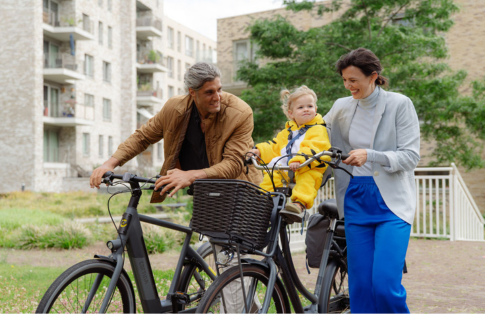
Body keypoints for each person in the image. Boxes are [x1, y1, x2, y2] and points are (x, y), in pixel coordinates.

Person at [323, 48, 420, 313]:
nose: (348, 85)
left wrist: (371, 156)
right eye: (344, 80)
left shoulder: (400, 104)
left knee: (384, 284)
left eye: (353, 80)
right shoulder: (341, 107)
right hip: (356, 197)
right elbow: (316, 136)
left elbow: (411, 156)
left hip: (392, 202)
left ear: (373, 76)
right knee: (361, 286)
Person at [90, 62, 262, 197]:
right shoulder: (174, 108)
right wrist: (109, 164)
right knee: (212, 239)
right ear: (192, 92)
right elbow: (143, 137)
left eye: (219, 90)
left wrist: (189, 175)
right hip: (204, 190)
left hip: (241, 190)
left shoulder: (239, 113)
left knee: (241, 242)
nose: (217, 97)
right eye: (209, 92)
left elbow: (233, 165)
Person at [250, 86, 331, 223]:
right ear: (291, 114)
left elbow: (315, 146)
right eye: (300, 107)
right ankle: (264, 201)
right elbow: (275, 147)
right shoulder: (287, 132)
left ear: (315, 109)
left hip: (308, 166)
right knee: (272, 174)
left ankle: (299, 204)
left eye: (309, 106)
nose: (306, 109)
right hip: (287, 167)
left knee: (308, 179)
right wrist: (259, 151)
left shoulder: (318, 129)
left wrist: (299, 160)